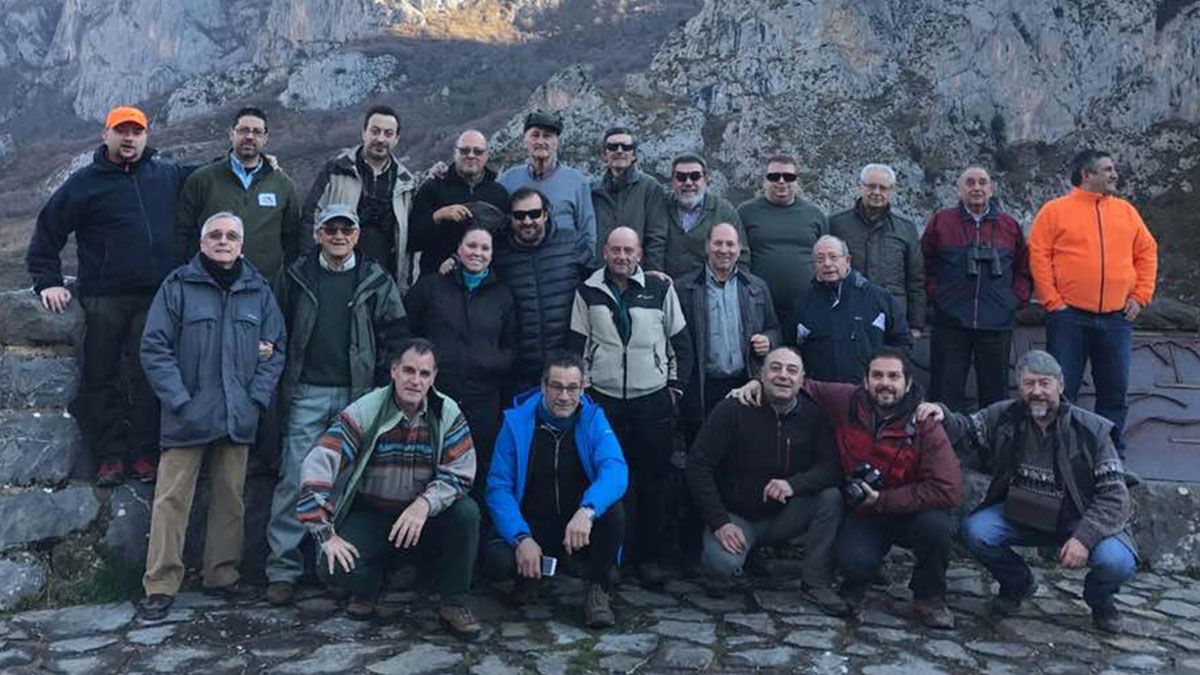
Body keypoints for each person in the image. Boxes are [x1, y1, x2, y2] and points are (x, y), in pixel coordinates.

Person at [728, 347, 962, 629]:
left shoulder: (926, 422)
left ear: (908, 382)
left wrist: (884, 500)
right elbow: (800, 383)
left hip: (910, 512)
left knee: (937, 526)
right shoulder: (846, 399)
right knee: (853, 561)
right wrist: (758, 383)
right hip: (867, 514)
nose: (885, 383)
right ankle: (857, 580)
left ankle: (929, 597)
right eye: (877, 375)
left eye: (893, 376)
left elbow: (946, 489)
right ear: (865, 380)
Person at [26, 105, 193, 485]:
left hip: (156, 296)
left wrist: (257, 164)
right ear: (106, 135)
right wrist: (48, 281)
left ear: (146, 136)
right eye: (121, 131)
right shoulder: (85, 183)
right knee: (102, 376)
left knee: (149, 377)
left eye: (136, 131)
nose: (129, 138)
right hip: (103, 297)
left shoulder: (166, 175)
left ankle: (145, 455)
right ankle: (110, 457)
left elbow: (212, 177)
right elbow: (48, 231)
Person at [136, 212, 287, 620]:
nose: (223, 241)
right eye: (215, 235)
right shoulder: (177, 287)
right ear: (202, 243)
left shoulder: (259, 291)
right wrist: (179, 400)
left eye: (231, 236)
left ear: (241, 245)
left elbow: (276, 350)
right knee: (171, 500)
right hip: (187, 415)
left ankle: (221, 575)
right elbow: (154, 348)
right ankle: (161, 584)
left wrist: (254, 400)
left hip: (238, 414)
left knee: (230, 499)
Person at [925, 350, 1137, 633]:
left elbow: (1115, 497)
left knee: (1117, 562)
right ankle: (1018, 583)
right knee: (976, 532)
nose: (1037, 391)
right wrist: (943, 415)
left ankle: (1100, 600)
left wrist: (1084, 539)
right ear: (1019, 387)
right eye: (1029, 383)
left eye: (1044, 383)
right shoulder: (1004, 415)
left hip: (1079, 519)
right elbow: (967, 430)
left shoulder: (1092, 430)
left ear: (1061, 385)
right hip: (1024, 513)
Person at [263, 204, 408, 606]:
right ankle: (283, 569)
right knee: (295, 478)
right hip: (306, 392)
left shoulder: (376, 280)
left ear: (357, 235)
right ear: (318, 235)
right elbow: (276, 327)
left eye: (347, 229)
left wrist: (381, 386)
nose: (339, 236)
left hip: (356, 396)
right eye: (331, 229)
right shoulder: (295, 276)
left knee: (344, 484)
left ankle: (331, 566)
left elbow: (396, 334)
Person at [296, 339, 483, 638]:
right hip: (374, 513)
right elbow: (320, 461)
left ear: (434, 377)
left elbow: (460, 475)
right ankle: (370, 587)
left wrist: (424, 504)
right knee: (332, 567)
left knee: (467, 513)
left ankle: (454, 602)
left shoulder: (447, 412)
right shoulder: (366, 409)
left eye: (424, 373)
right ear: (394, 371)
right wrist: (325, 533)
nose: (415, 380)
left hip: (425, 519)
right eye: (408, 370)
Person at [568, 226, 692, 586]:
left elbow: (680, 344)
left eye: (629, 251)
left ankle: (648, 558)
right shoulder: (588, 291)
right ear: (605, 252)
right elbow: (577, 346)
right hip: (604, 400)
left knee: (654, 481)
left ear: (639, 254)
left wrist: (674, 390)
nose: (622, 257)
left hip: (651, 399)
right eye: (616, 250)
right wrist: (584, 394)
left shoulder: (660, 289)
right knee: (605, 479)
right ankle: (608, 558)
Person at [687, 346, 847, 615]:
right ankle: (738, 558)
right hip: (737, 516)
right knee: (722, 566)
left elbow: (831, 467)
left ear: (802, 380)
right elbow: (698, 465)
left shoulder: (813, 415)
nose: (783, 375)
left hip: (786, 514)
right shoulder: (732, 409)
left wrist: (794, 484)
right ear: (760, 374)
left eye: (792, 370)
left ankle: (816, 581)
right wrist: (719, 522)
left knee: (831, 498)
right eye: (775, 368)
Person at [482, 353, 628, 628]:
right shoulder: (516, 422)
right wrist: (520, 537)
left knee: (614, 511)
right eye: (556, 387)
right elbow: (498, 488)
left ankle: (598, 588)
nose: (564, 396)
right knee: (497, 560)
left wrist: (588, 510)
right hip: (534, 524)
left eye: (572, 388)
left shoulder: (593, 419)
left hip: (578, 527)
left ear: (583, 388)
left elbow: (616, 470)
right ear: (543, 386)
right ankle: (531, 574)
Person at [1028, 150, 1158, 458]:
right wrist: (1052, 300)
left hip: (1116, 319)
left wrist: (1140, 296)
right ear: (1087, 174)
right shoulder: (1055, 210)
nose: (1114, 174)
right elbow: (1038, 254)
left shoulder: (1126, 212)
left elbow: (1147, 252)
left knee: (1114, 391)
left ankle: (1109, 455)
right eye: (1107, 169)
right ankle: (1055, 453)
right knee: (1060, 390)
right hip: (1068, 318)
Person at [406, 224, 517, 498]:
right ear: (459, 249)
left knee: (477, 467)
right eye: (471, 245)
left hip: (482, 400)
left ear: (492, 254)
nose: (477, 253)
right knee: (427, 465)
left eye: (484, 248)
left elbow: (511, 345)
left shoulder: (502, 296)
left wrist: (492, 362)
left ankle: (472, 522)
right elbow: (406, 330)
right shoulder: (431, 286)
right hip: (435, 396)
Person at [921, 166, 1031, 411]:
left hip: (996, 324)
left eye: (982, 182)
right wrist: (938, 296)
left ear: (991, 189)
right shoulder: (941, 222)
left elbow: (1024, 269)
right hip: (950, 323)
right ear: (959, 190)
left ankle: (993, 437)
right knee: (944, 394)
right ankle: (945, 436)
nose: (977, 188)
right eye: (970, 183)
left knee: (996, 397)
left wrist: (1013, 301)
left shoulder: (1009, 225)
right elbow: (924, 264)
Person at [675, 222, 780, 434]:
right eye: (718, 243)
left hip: (746, 384)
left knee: (745, 445)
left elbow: (775, 328)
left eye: (730, 244)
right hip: (703, 388)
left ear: (739, 249)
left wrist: (769, 340)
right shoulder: (684, 288)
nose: (724, 250)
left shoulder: (756, 287)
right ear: (707, 247)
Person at [176, 106, 301, 280]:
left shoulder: (282, 184)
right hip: (209, 282)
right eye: (243, 130)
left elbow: (292, 238)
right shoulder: (202, 179)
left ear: (265, 138)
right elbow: (182, 232)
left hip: (264, 285)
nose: (250, 136)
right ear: (231, 134)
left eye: (257, 132)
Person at [301, 105, 419, 288]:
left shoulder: (406, 184)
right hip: (335, 274)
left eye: (388, 134)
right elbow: (311, 218)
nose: (380, 139)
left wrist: (404, 286)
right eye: (375, 131)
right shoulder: (336, 170)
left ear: (396, 139)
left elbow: (410, 242)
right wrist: (309, 266)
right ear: (364, 133)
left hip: (383, 280)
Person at [491, 187, 594, 391]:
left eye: (534, 213)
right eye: (519, 215)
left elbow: (597, 285)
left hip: (565, 370)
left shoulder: (571, 243)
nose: (527, 221)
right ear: (510, 218)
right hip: (517, 372)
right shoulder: (498, 253)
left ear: (546, 214)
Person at [794, 235, 909, 384]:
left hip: (869, 390)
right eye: (820, 259)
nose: (827, 264)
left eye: (833, 257)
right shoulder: (803, 304)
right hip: (819, 390)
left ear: (847, 260)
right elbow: (792, 347)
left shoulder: (878, 298)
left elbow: (901, 341)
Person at [828, 163, 925, 337]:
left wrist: (916, 325)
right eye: (871, 186)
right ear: (860, 187)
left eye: (883, 188)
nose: (877, 192)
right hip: (845, 317)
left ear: (892, 191)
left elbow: (916, 280)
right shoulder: (836, 224)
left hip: (892, 318)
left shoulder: (906, 229)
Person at [738, 154, 827, 330]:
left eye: (788, 177)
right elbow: (739, 258)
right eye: (774, 176)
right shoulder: (745, 213)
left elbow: (825, 258)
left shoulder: (815, 215)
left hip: (807, 308)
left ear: (796, 181)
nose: (781, 181)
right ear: (764, 181)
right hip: (758, 308)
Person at [408, 129, 509, 276]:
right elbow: (411, 240)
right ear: (455, 153)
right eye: (464, 151)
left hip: (484, 282)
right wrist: (437, 216)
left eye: (478, 152)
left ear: (486, 156)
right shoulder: (433, 188)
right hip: (437, 279)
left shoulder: (499, 193)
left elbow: (504, 241)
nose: (471, 155)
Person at [498, 109, 598, 253]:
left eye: (547, 136)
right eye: (535, 135)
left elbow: (587, 231)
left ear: (556, 142)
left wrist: (584, 262)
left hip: (565, 261)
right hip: (520, 260)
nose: (540, 141)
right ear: (525, 141)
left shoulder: (577, 182)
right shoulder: (508, 180)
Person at [660, 153, 749, 278]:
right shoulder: (661, 206)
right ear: (672, 182)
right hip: (666, 285)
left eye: (695, 176)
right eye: (681, 177)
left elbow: (741, 256)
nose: (688, 183)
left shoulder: (724, 211)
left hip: (709, 287)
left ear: (706, 180)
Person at [590, 126, 668, 268]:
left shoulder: (650, 188)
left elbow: (656, 236)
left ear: (634, 155)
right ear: (604, 155)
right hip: (599, 272)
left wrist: (652, 271)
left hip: (635, 272)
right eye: (613, 147)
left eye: (626, 147)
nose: (619, 151)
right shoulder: (592, 190)